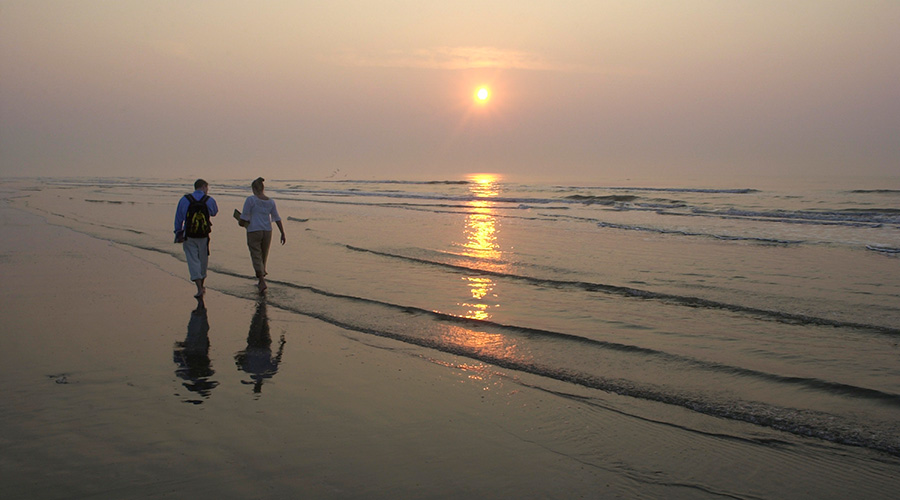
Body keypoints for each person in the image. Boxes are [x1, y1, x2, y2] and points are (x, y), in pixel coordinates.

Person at [238, 177, 285, 292]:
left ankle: (262, 281)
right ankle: (261, 279)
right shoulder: (271, 201)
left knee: (256, 255)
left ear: (254, 189)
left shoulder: (251, 200)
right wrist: (282, 232)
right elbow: (277, 217)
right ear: (263, 188)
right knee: (264, 255)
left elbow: (244, 217)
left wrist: (240, 221)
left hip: (254, 230)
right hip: (267, 231)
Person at [174, 179, 218, 297]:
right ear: (203, 187)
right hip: (203, 235)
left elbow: (179, 217)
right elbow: (214, 212)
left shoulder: (184, 200)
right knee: (203, 260)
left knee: (193, 260)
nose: (207, 191)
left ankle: (199, 287)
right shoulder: (209, 200)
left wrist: (177, 232)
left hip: (189, 235)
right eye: (207, 188)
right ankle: (202, 285)